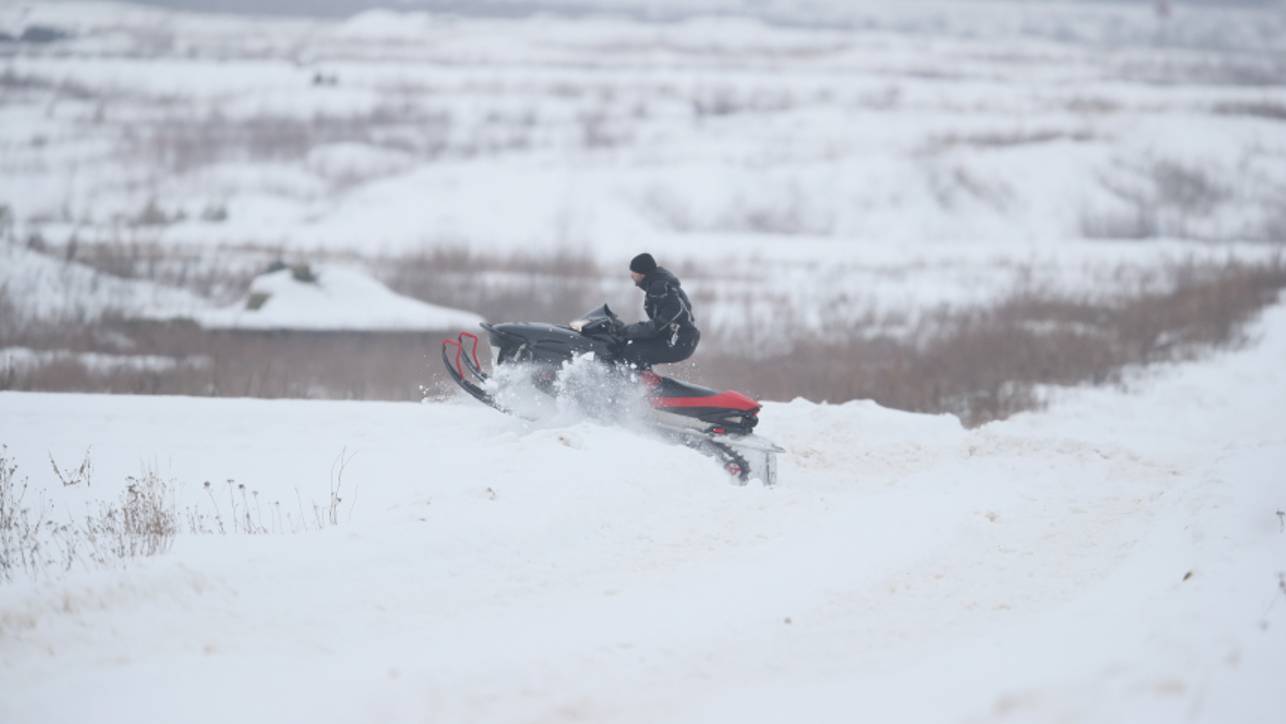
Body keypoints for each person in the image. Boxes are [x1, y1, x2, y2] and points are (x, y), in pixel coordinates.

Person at [620, 253, 699, 369]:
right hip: (680, 339)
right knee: (632, 346)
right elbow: (661, 323)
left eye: (633, 271)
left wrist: (632, 331)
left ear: (642, 273)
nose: (631, 275)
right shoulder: (660, 285)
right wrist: (631, 331)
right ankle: (643, 379)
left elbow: (670, 313)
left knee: (633, 352)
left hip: (680, 342)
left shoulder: (659, 288)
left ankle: (637, 384)